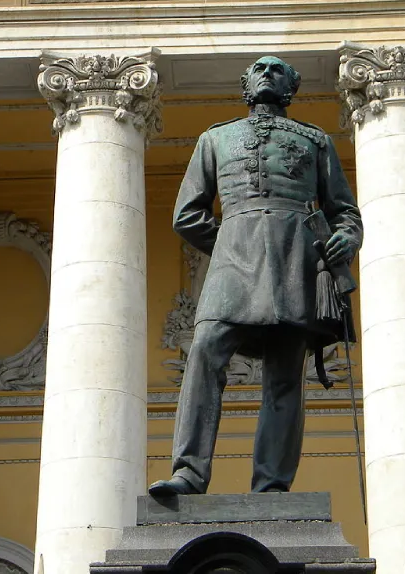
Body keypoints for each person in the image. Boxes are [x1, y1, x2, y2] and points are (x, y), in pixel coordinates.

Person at [148, 56, 363, 496]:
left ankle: (272, 484)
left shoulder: (315, 141)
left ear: (293, 86)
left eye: (278, 69)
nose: (267, 72)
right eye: (258, 68)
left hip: (296, 265)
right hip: (234, 264)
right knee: (206, 351)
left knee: (285, 377)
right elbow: (187, 215)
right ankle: (188, 472)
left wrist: (347, 238)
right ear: (244, 82)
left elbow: (345, 212)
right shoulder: (216, 139)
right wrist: (229, 241)